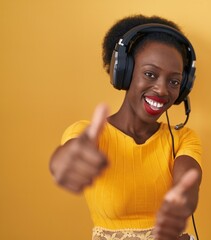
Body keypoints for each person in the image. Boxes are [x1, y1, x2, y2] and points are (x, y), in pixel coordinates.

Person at [49, 14, 202, 240]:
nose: (162, 90)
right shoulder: (90, 134)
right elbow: (68, 155)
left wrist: (184, 200)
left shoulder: (183, 138)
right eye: (150, 74)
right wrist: (62, 161)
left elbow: (189, 181)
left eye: (174, 81)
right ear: (124, 72)